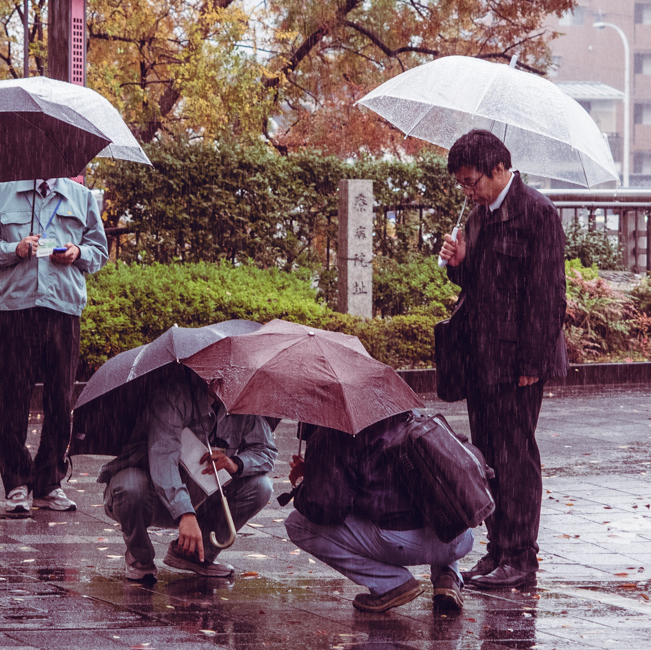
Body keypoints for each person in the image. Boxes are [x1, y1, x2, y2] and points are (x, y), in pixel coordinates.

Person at [438, 129, 567, 590]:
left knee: (517, 458)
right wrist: (458, 263)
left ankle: (521, 556)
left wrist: (533, 361)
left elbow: (549, 294)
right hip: (480, 356)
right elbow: (477, 286)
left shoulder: (537, 212)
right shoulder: (478, 217)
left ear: (498, 169)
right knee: (487, 457)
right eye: (463, 185)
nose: (468, 191)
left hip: (518, 361)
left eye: (472, 181)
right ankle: (497, 550)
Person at [0, 178, 108, 516]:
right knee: (13, 399)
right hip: (16, 308)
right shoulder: (0, 192)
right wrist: (14, 249)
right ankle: (17, 482)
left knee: (61, 401)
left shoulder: (81, 197)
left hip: (63, 308)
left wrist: (78, 253)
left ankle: (50, 482)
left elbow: (98, 250)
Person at [99, 366, 276, 581]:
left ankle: (194, 555)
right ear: (209, 378)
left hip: (203, 493)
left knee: (261, 487)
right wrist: (185, 513)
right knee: (130, 487)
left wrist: (236, 463)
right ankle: (140, 555)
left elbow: (266, 451)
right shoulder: (172, 397)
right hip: (152, 494)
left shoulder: (243, 403)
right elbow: (163, 459)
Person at [283, 416, 474, 613]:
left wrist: (304, 484)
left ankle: (390, 583)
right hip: (458, 537)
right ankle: (448, 574)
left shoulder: (331, 432)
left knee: (296, 524)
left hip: (403, 543)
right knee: (436, 493)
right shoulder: (409, 415)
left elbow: (326, 508)